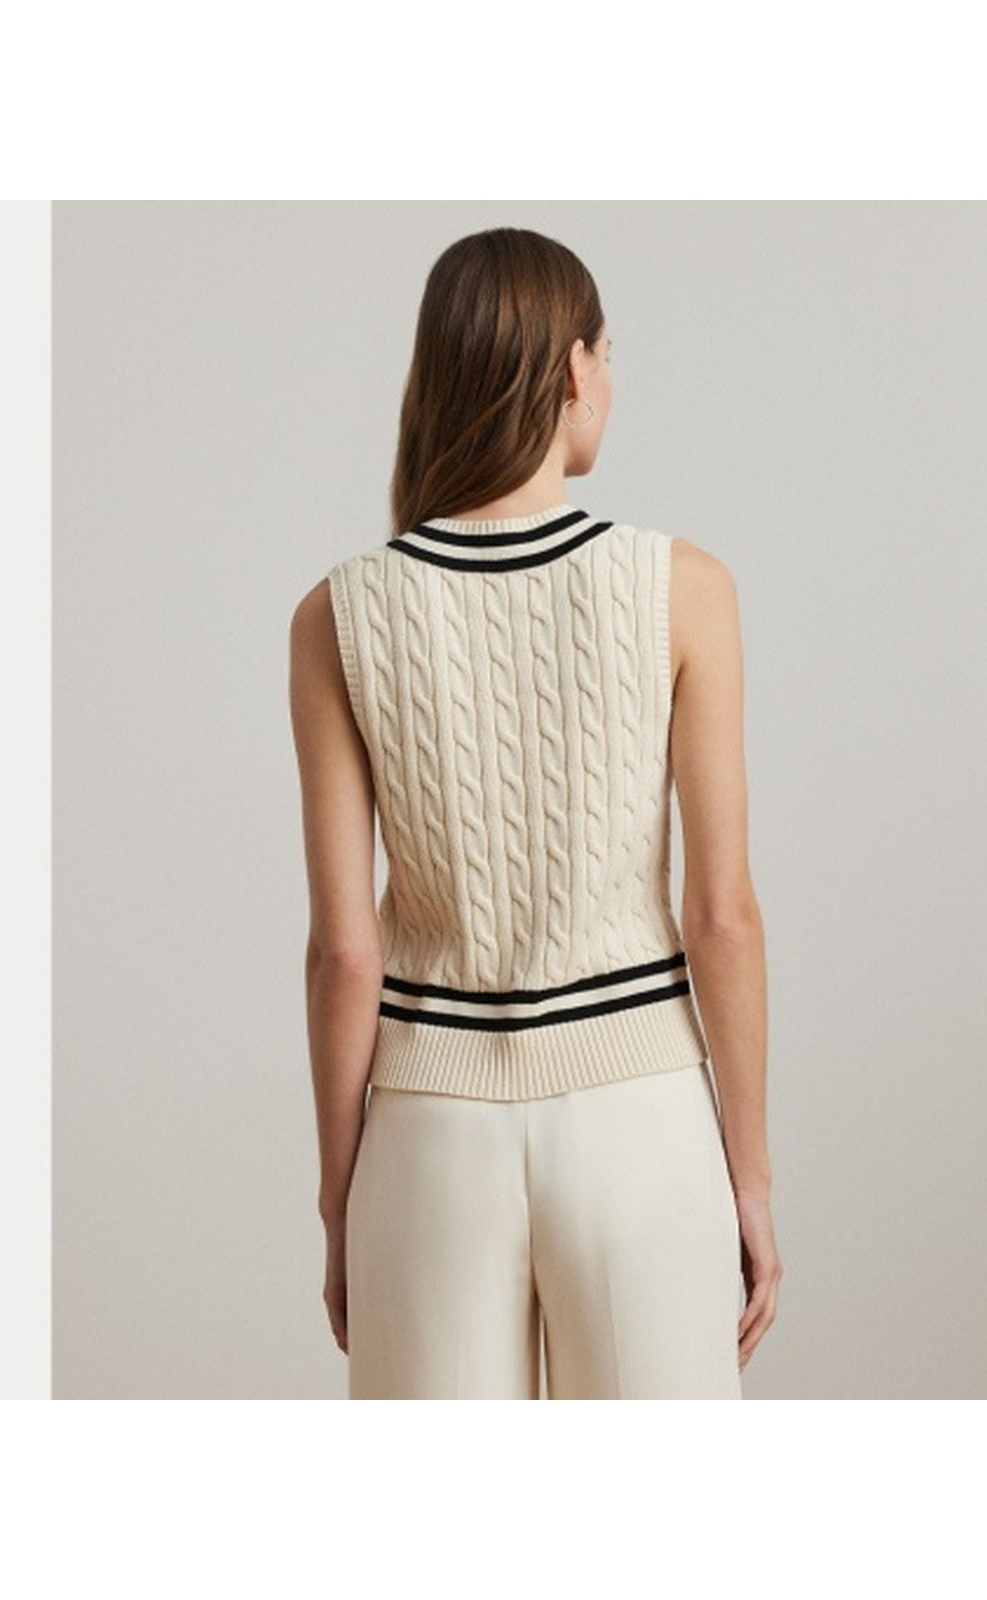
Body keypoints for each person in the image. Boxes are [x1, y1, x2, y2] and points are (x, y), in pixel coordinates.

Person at [288, 226, 782, 1399]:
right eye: (609, 356)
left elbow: (345, 950)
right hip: (641, 1120)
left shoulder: (338, 614)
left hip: (429, 1135)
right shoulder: (684, 588)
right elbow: (720, 916)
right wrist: (751, 1177)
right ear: (573, 369)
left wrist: (343, 1197)